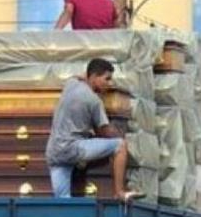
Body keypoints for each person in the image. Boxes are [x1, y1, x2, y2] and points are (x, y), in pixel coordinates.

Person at [46, 58, 136, 199]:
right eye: (107, 79)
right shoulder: (93, 101)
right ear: (94, 77)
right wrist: (120, 133)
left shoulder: (71, 84)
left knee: (62, 200)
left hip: (54, 152)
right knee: (120, 145)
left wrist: (87, 76)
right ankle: (119, 192)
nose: (109, 83)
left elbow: (77, 76)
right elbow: (104, 132)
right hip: (73, 149)